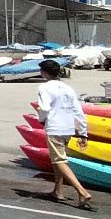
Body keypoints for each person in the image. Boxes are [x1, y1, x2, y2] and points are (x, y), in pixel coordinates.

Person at [36, 58, 94, 210]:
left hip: (54, 127)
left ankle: (81, 191)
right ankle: (58, 191)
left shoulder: (44, 88)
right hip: (68, 128)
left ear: (44, 73)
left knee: (59, 160)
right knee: (58, 160)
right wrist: (82, 133)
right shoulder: (67, 88)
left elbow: (44, 108)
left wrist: (41, 120)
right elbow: (78, 111)